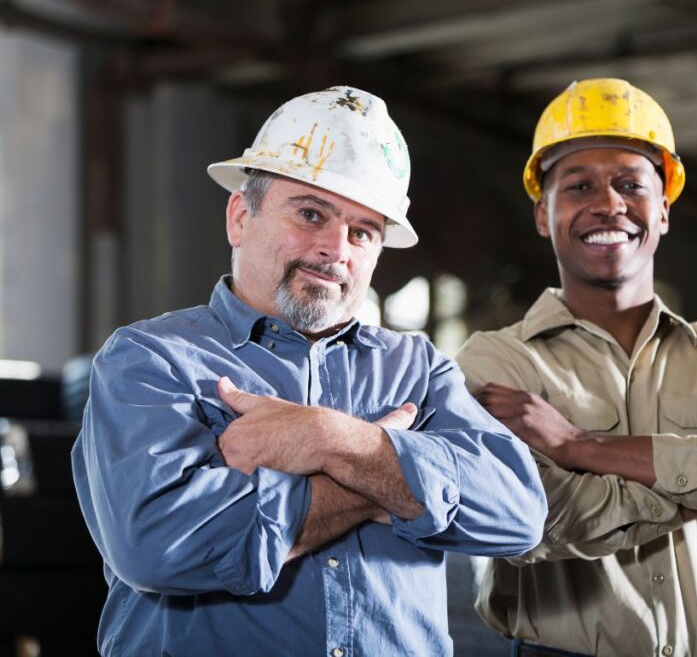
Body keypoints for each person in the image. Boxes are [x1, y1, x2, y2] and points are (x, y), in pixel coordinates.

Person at [72, 86, 546, 657]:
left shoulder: (416, 368)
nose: (335, 249)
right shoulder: (152, 359)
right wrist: (384, 480)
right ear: (241, 216)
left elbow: (517, 513)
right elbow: (160, 546)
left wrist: (328, 440)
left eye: (362, 232)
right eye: (311, 214)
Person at [455, 78, 697, 657]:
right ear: (543, 214)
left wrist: (583, 448)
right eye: (579, 185)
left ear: (662, 210)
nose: (608, 204)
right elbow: (539, 522)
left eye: (631, 185)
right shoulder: (495, 362)